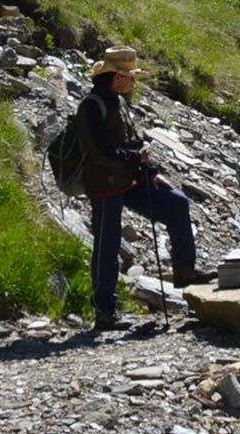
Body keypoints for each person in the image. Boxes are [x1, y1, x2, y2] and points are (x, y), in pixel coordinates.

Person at [77, 45, 213, 332]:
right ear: (116, 78)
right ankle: (105, 313)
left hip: (128, 179)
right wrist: (135, 158)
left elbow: (133, 142)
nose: (132, 81)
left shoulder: (119, 102)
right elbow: (99, 152)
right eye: (129, 76)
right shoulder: (91, 105)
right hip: (104, 185)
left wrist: (151, 171)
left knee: (177, 204)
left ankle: (184, 271)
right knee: (107, 245)